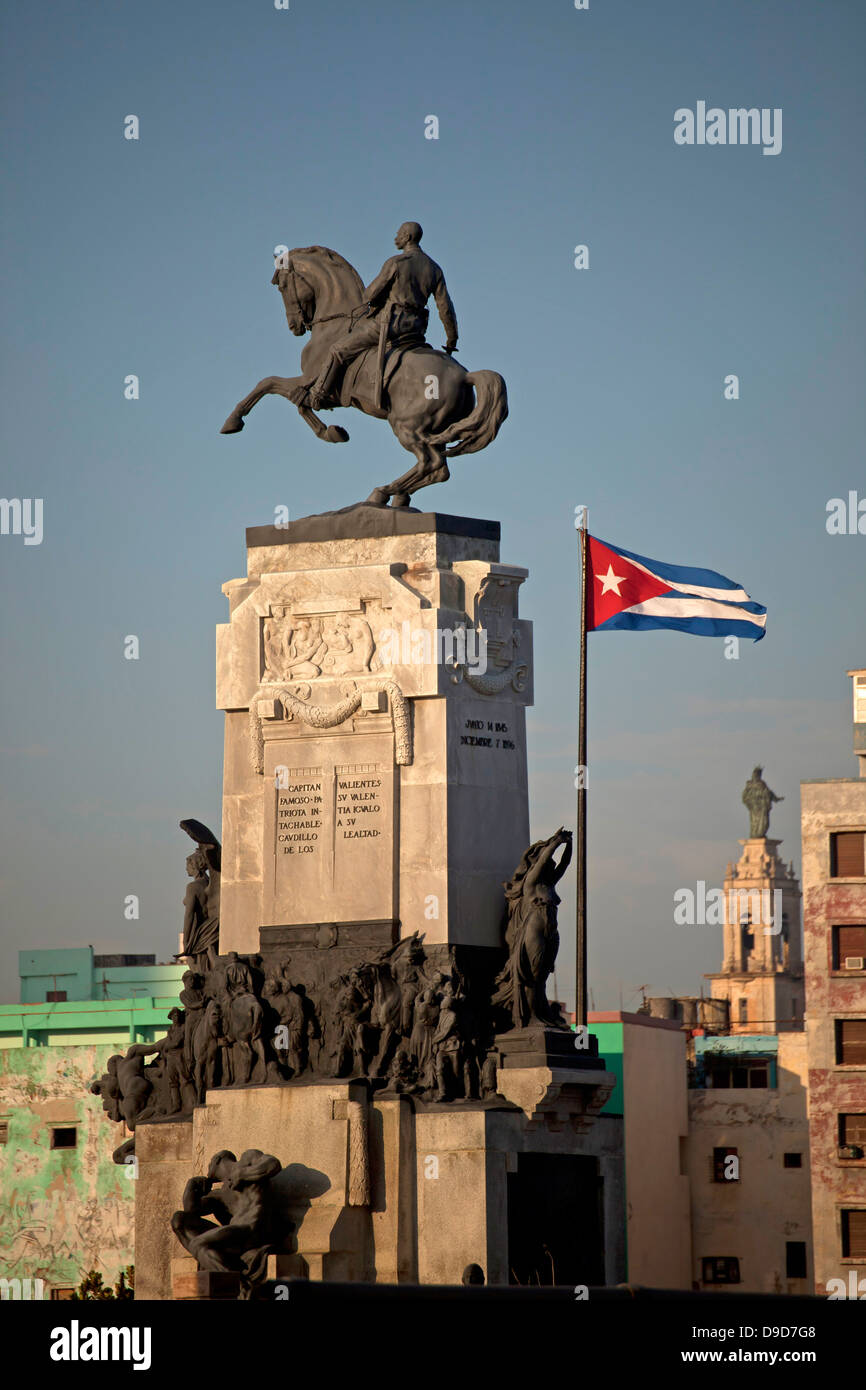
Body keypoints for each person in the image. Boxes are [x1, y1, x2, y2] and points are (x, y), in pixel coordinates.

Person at [307, 221, 458, 409]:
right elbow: (445, 308)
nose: (396, 237)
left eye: (399, 234)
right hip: (416, 330)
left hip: (390, 325)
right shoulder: (434, 269)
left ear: (407, 237)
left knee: (337, 349)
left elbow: (369, 295)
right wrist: (452, 338)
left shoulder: (396, 263)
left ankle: (318, 394)